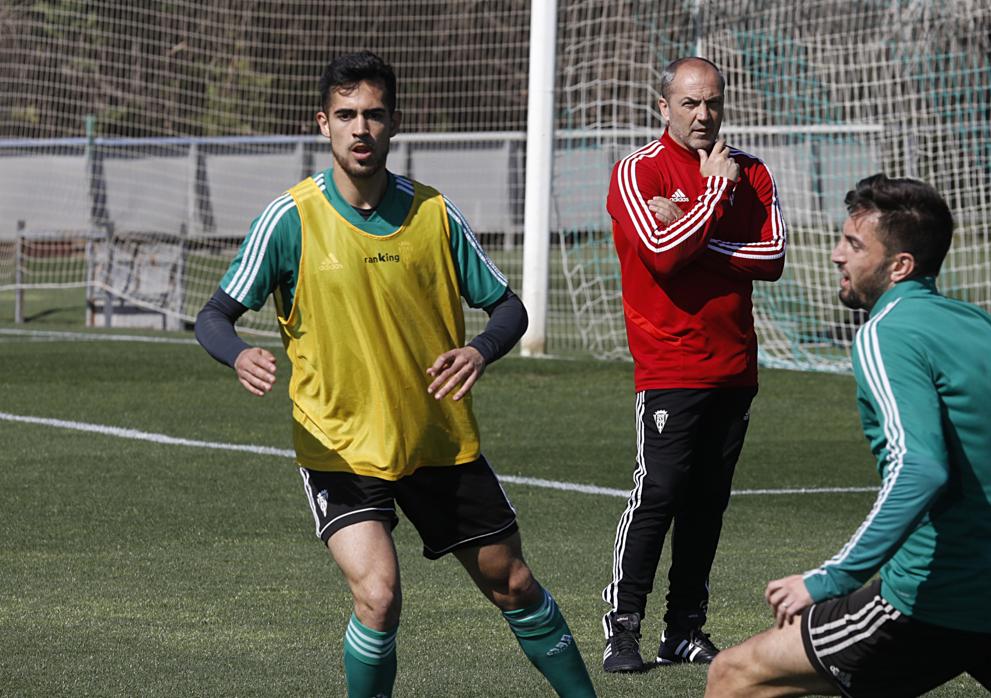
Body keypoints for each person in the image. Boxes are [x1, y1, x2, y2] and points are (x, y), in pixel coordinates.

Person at [194, 51, 595, 698]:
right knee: (378, 596)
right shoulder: (290, 219)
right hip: (339, 447)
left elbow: (507, 307)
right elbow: (213, 316)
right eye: (346, 115)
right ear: (321, 124)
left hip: (436, 439)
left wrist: (480, 351)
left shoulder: (434, 214)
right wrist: (239, 353)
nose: (361, 128)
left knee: (513, 584)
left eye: (374, 115)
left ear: (394, 124)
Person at [704, 174, 991, 698]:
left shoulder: (884, 333)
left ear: (900, 266)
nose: (836, 254)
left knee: (734, 674)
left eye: (853, 243)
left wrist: (829, 580)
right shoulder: (988, 328)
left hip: (927, 602)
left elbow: (920, 466)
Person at [600, 56, 787, 673]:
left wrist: (693, 228)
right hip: (670, 364)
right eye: (689, 103)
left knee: (707, 503)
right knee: (658, 494)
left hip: (735, 366)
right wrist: (713, 194)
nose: (703, 114)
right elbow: (659, 254)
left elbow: (774, 256)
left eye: (712, 102)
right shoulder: (637, 171)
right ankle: (622, 629)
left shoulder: (753, 171)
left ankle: (683, 630)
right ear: (664, 107)